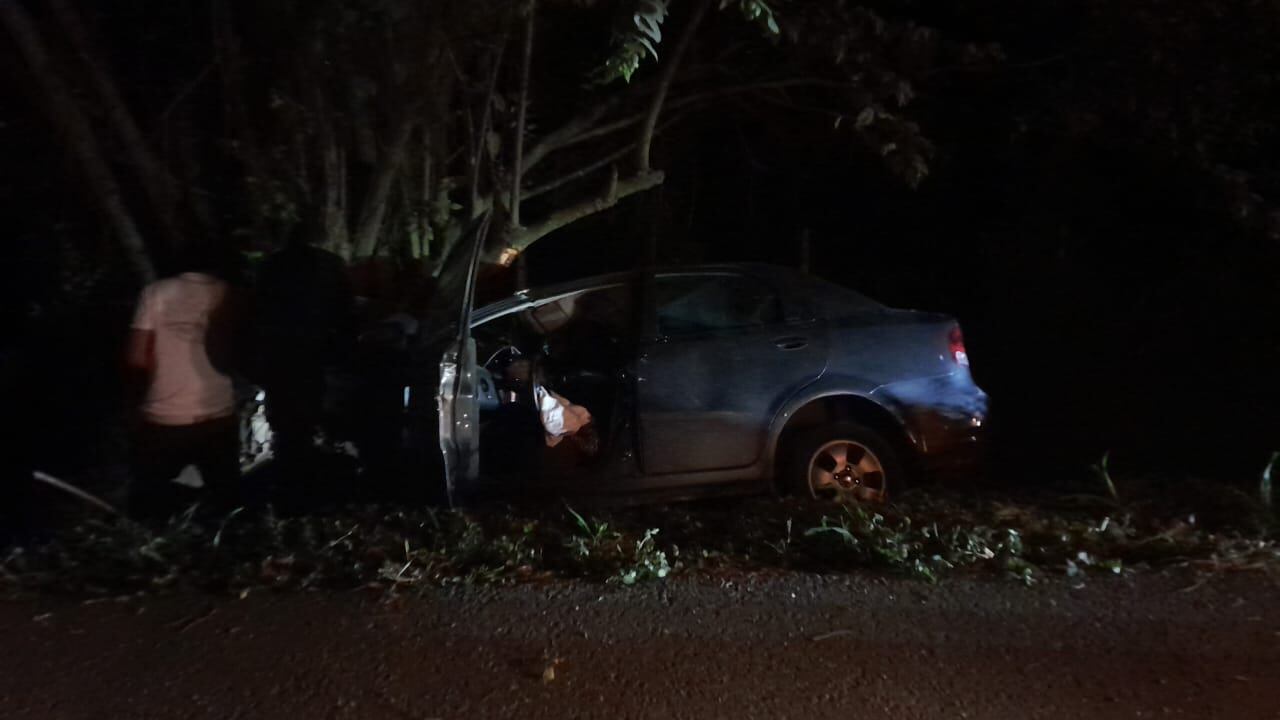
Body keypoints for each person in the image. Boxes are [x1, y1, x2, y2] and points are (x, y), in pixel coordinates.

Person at [125, 244, 242, 520]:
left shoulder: (155, 293)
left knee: (148, 506)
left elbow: (136, 358)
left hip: (165, 418)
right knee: (229, 506)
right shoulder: (228, 294)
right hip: (218, 414)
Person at [253, 217, 353, 471]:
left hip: (279, 348)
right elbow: (344, 308)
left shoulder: (272, 265)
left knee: (284, 406)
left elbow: (258, 308)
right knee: (309, 399)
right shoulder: (330, 264)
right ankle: (306, 452)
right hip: (315, 347)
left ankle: (289, 454)